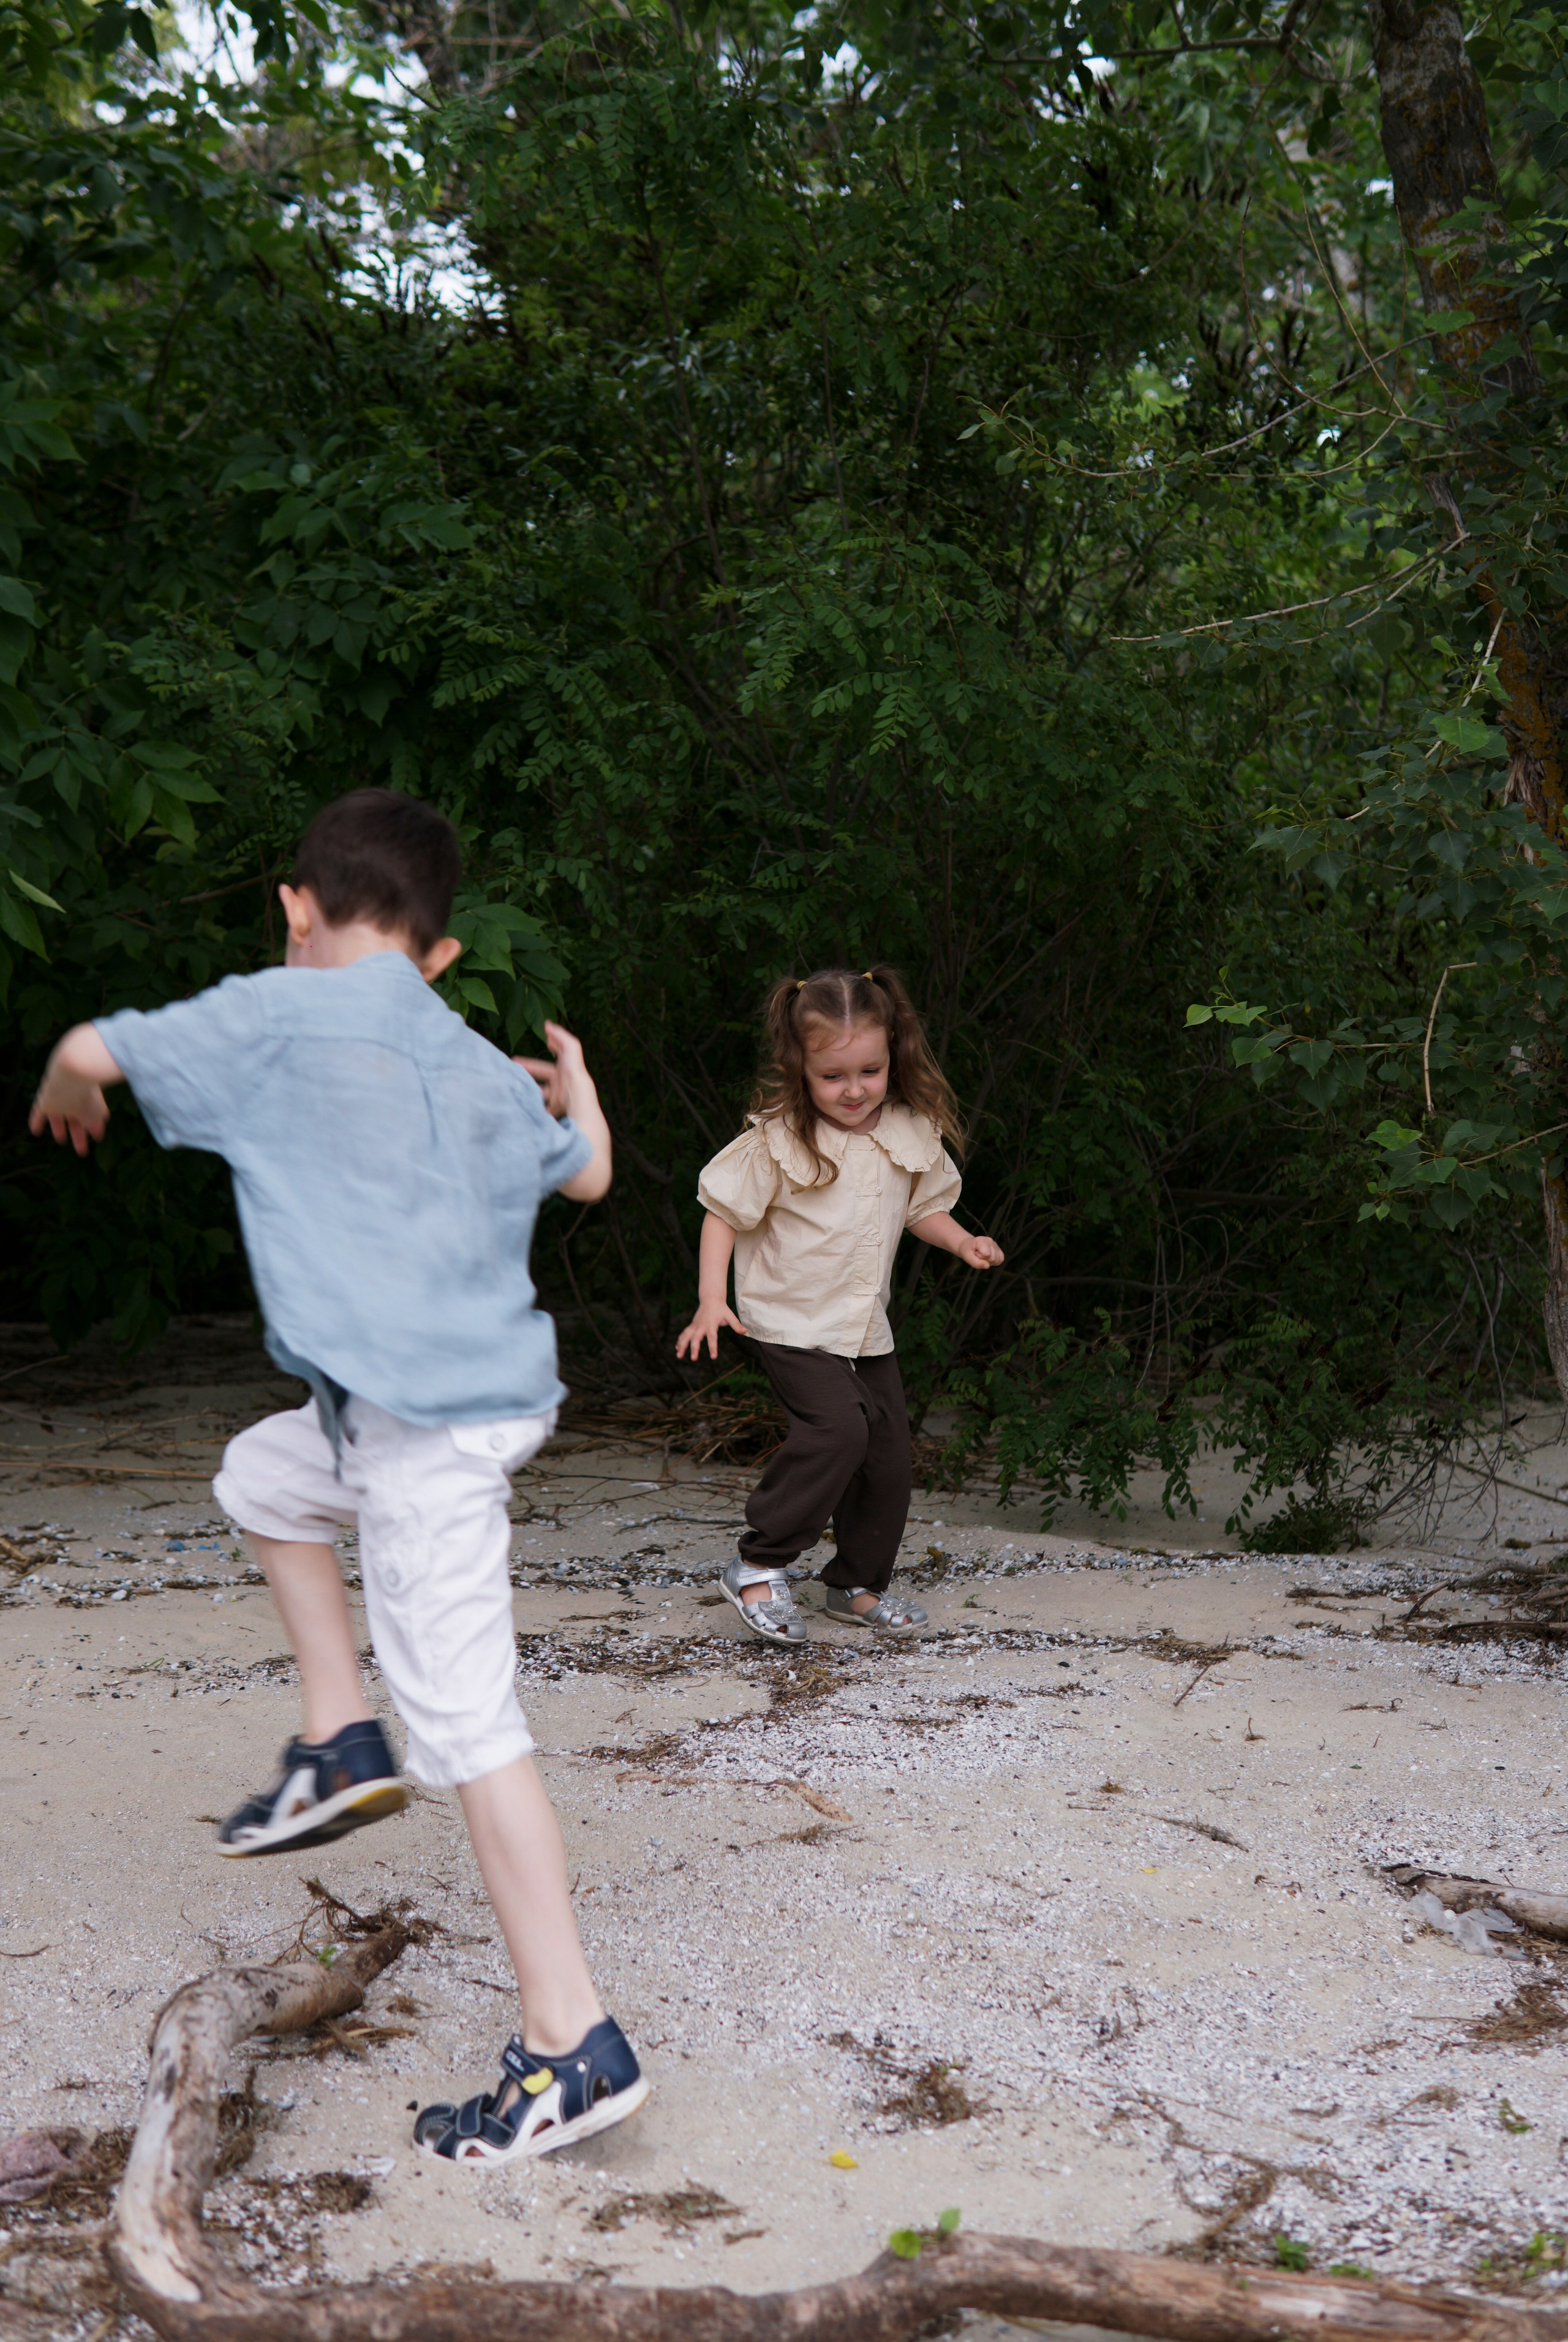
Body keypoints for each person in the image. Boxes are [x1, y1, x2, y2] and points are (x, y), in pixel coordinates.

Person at [27, 788, 647, 2167]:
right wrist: (579, 1088)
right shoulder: (479, 1061)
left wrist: (70, 1081)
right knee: (264, 1475)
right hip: (438, 1410)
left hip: (430, 1434)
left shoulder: (276, 1008)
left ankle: (572, 2045)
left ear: (296, 910)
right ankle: (334, 1739)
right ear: (439, 955)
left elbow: (90, 1045)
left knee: (473, 1733)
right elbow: (593, 1175)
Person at [676, 966, 1003, 1646]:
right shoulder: (777, 1139)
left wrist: (962, 1240)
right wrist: (712, 1299)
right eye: (833, 1077)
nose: (853, 1090)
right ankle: (757, 1565)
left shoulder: (909, 1131)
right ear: (799, 1067)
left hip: (862, 1327)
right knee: (839, 1430)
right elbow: (721, 1212)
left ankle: (855, 1585)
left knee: (886, 1455)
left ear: (893, 1058)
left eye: (869, 1071)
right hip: (790, 1321)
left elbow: (924, 1208)